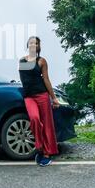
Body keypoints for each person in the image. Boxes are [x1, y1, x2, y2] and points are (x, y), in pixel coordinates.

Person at [18, 36, 60, 167]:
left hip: (42, 95)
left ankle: (47, 153)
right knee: (35, 119)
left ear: (38, 47)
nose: (33, 45)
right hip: (29, 97)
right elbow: (24, 79)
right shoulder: (22, 61)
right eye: (31, 43)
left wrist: (53, 98)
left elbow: (46, 79)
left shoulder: (41, 61)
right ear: (27, 45)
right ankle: (40, 147)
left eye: (35, 43)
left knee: (47, 124)